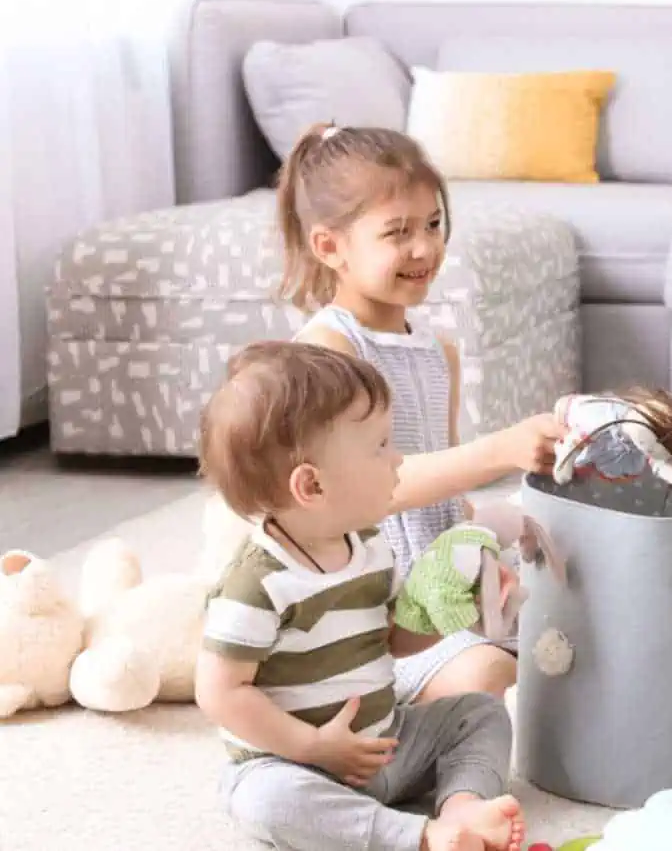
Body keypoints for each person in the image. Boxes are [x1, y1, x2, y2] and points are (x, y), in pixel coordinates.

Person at [274, 122, 568, 705]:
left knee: (573, 636)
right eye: (397, 232)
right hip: (375, 617)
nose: (424, 249)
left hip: (444, 587)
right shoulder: (328, 351)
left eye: (433, 225)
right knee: (494, 678)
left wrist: (492, 542)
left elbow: (446, 502)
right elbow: (364, 492)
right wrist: (497, 452)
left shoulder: (440, 355)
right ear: (330, 246)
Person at [194, 341, 526, 851]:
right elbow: (220, 693)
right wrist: (313, 746)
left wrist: (447, 608)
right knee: (263, 801)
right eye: (380, 447)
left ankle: (463, 807)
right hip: (295, 761)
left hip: (385, 740)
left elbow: (393, 639)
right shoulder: (256, 584)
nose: (397, 461)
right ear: (312, 486)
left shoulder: (369, 544)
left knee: (479, 714)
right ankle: (414, 836)